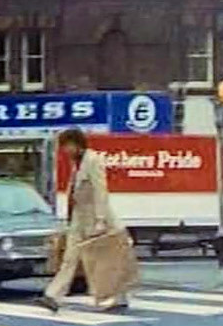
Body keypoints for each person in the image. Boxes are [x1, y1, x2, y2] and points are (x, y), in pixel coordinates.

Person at [36, 127, 129, 313]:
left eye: (67, 146)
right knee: (69, 258)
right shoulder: (77, 163)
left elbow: (100, 190)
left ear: (77, 144)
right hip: (79, 217)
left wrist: (101, 220)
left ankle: (118, 296)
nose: (65, 150)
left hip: (96, 218)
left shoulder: (93, 160)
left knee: (105, 260)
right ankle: (53, 295)